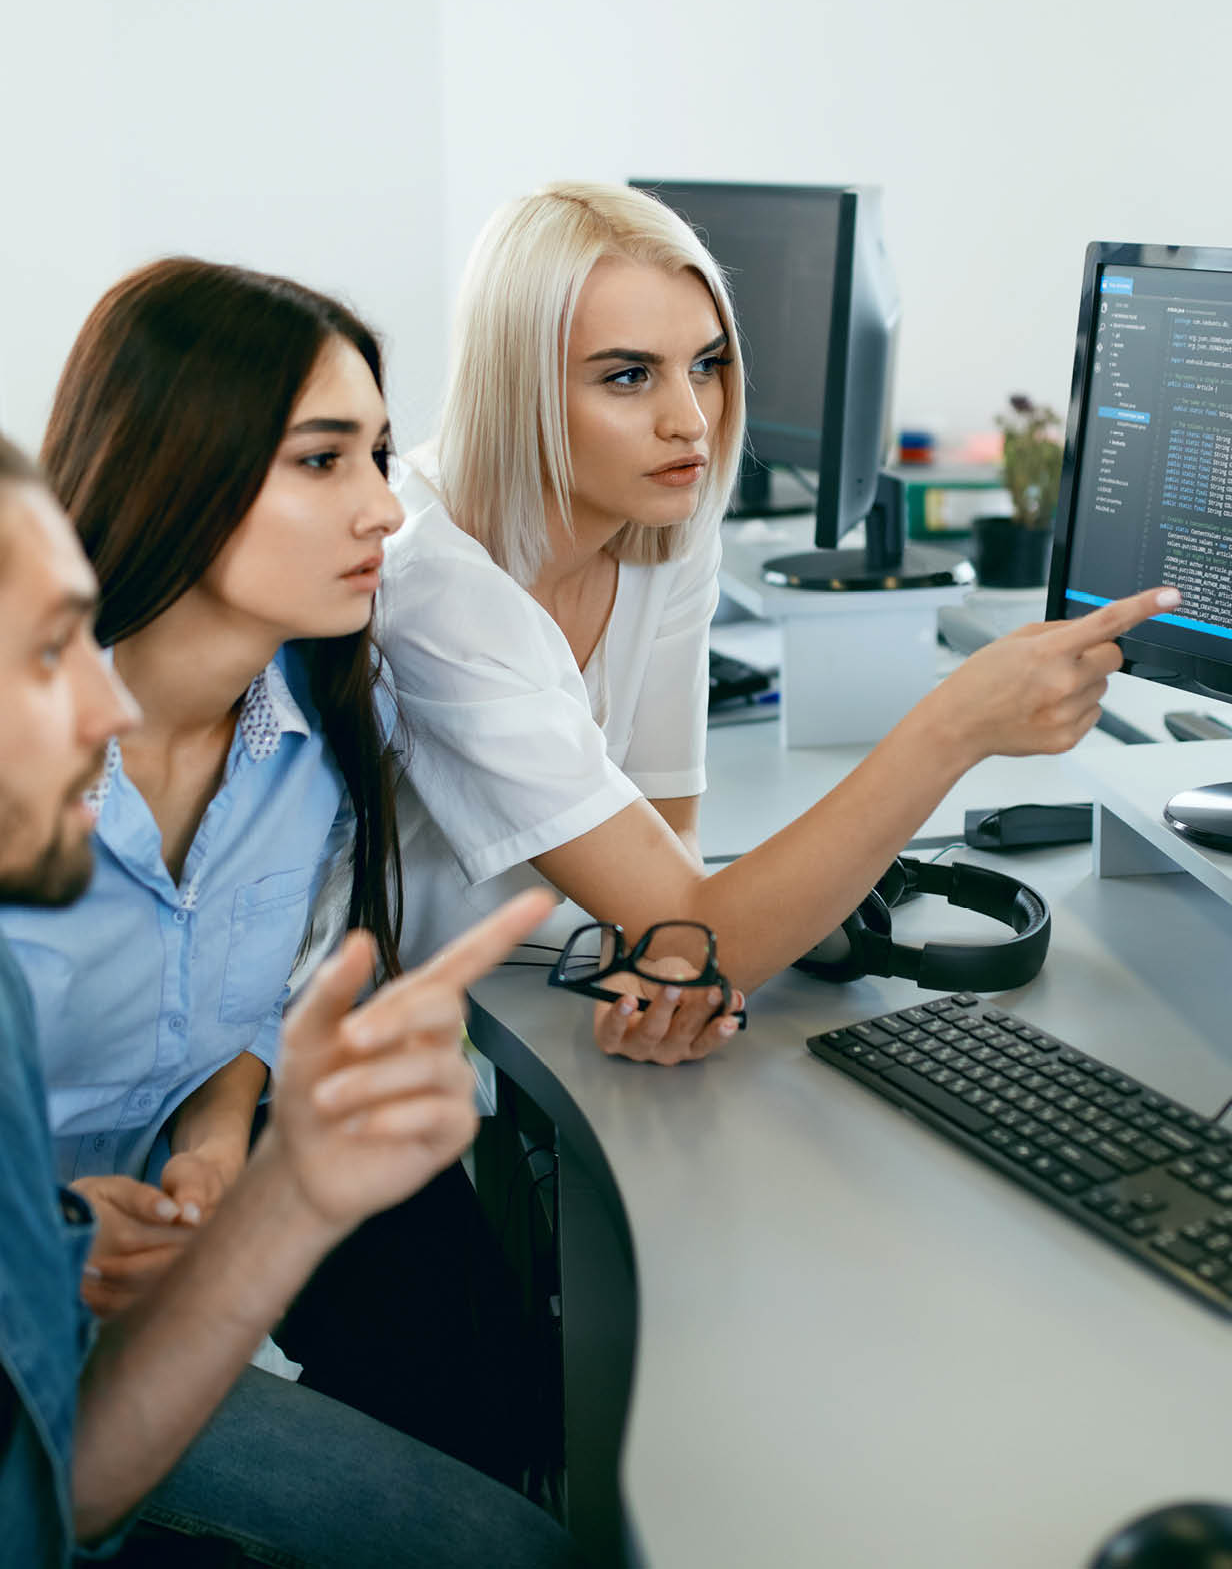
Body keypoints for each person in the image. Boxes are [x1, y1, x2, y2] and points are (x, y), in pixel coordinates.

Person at [378, 180, 1180, 1064]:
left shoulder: (665, 525)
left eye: (708, 364)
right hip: (350, 1068)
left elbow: (670, 835)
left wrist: (642, 954)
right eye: (628, 375)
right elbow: (696, 931)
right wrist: (955, 726)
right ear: (518, 386)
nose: (689, 421)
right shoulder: (435, 590)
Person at [0, 431, 582, 1567]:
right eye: (41, 652)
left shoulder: (312, 734)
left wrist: (287, 1179)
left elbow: (62, 1479)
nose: (105, 709)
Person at [0, 257, 410, 1317]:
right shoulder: (21, 756)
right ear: (172, 466)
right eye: (322, 459)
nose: (383, 510)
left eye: (378, 454)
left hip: (157, 1296)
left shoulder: (324, 738)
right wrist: (36, 1234)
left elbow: (253, 1009)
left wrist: (216, 1144)